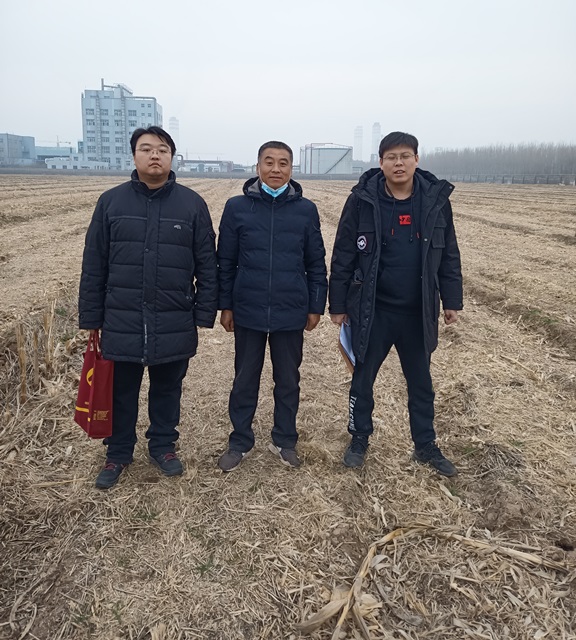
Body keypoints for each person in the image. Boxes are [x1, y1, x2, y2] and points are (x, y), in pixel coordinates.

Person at [79, 126, 218, 489]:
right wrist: (91, 316)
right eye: (146, 149)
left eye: (162, 149)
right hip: (121, 317)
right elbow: (94, 262)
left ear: (172, 157)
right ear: (134, 155)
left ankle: (163, 446)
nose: (155, 155)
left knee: (168, 389)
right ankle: (118, 452)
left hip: (173, 317)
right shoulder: (111, 202)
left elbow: (207, 264)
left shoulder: (192, 204)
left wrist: (204, 313)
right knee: (120, 390)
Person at [329, 131, 463, 476]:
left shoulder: (435, 201)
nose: (398, 163)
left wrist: (451, 300)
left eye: (405, 156)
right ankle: (359, 438)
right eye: (391, 157)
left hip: (418, 311)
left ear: (416, 159)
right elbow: (343, 254)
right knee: (362, 379)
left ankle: (425, 445)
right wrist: (338, 304)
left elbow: (449, 253)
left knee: (421, 383)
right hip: (373, 309)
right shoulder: (362, 200)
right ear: (381, 162)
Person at [217, 141, 328, 471]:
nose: (276, 169)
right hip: (248, 308)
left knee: (288, 380)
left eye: (283, 163)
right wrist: (226, 305)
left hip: (290, 309)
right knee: (244, 379)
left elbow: (316, 262)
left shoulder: (305, 210)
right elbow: (225, 262)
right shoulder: (237, 208)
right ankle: (240, 441)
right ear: (258, 167)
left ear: (291, 169)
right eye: (269, 162)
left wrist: (315, 305)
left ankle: (285, 440)